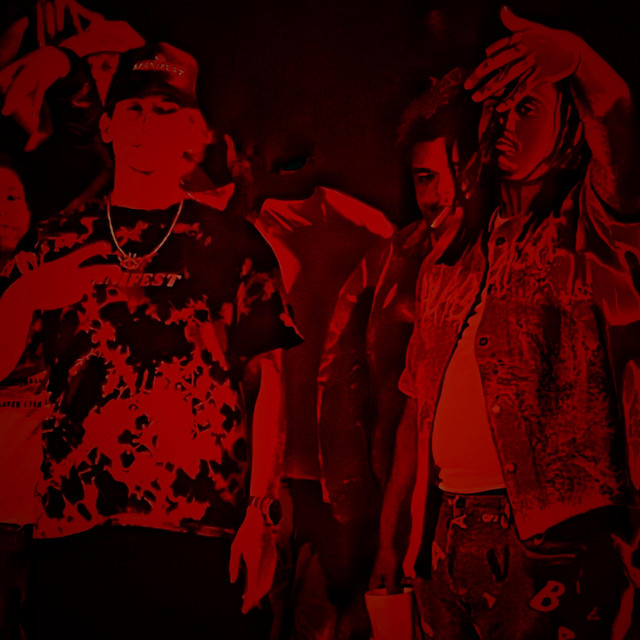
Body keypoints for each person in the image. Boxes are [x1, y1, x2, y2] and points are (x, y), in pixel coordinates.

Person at [0, 41, 301, 639]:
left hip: (198, 535)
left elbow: (267, 382)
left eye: (166, 111)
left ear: (190, 131)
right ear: (107, 125)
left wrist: (260, 515)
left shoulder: (235, 244)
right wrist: (25, 295)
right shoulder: (55, 241)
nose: (146, 125)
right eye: (133, 108)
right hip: (74, 533)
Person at [393, 7, 640, 640]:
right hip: (448, 535)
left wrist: (579, 60)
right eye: (499, 107)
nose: (505, 122)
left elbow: (621, 136)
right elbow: (417, 415)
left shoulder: (585, 228)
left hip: (552, 541)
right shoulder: (448, 258)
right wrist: (408, 543)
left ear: (567, 128)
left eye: (527, 108)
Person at [0, 155, 49, 640]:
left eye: (13, 198)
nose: (4, 210)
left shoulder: (48, 279)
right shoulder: (32, 287)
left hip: (39, 510)